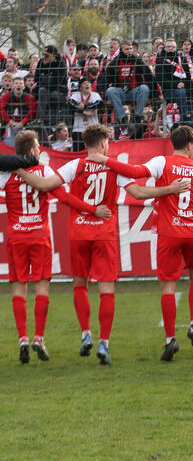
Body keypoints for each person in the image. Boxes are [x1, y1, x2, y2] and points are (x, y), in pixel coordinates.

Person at [14, 124, 187, 364]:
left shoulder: (75, 165)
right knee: (107, 288)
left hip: (78, 233)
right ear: (104, 143)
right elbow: (138, 193)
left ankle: (86, 333)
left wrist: (16, 167)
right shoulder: (113, 166)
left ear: (85, 145)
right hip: (104, 233)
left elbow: (47, 186)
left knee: (79, 284)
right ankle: (104, 343)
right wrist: (169, 189)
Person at [93, 126, 193, 361]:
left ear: (174, 143)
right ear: (191, 145)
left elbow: (135, 171)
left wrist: (105, 160)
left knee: (168, 287)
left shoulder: (162, 162)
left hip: (169, 233)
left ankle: (170, 339)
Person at [1, 130, 108, 364]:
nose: (41, 150)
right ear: (31, 151)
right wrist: (92, 210)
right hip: (39, 236)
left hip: (17, 236)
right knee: (41, 289)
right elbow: (65, 198)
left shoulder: (6, 174)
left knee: (19, 290)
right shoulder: (44, 170)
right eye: (38, 147)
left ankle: (22, 338)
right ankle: (39, 338)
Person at [102, 41, 152, 131]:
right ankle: (123, 117)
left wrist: (153, 94)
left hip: (134, 91)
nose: (129, 51)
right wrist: (104, 97)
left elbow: (149, 76)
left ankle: (138, 115)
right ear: (121, 50)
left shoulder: (137, 61)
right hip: (121, 92)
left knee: (144, 88)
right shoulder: (115, 62)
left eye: (131, 49)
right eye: (127, 49)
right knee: (110, 91)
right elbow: (105, 80)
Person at [35, 45, 69, 128]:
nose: (44, 57)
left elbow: (56, 83)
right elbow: (36, 78)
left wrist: (44, 80)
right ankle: (39, 120)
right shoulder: (41, 62)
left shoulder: (61, 64)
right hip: (45, 90)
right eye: (44, 55)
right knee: (42, 91)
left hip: (60, 92)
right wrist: (46, 80)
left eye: (47, 55)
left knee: (51, 95)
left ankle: (54, 121)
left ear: (54, 56)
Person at [68, 78, 102, 151]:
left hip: (92, 128)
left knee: (93, 150)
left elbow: (99, 104)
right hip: (78, 129)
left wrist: (85, 106)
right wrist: (84, 112)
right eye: (84, 83)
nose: (87, 84)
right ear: (80, 88)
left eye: (88, 83)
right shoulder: (76, 95)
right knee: (78, 152)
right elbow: (70, 105)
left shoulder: (95, 95)